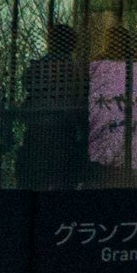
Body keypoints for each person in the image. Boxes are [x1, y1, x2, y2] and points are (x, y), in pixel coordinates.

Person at [17, 19, 88, 192]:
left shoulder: (39, 67)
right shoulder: (75, 70)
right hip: (64, 131)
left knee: (34, 181)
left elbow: (27, 83)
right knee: (61, 181)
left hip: (38, 130)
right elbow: (80, 97)